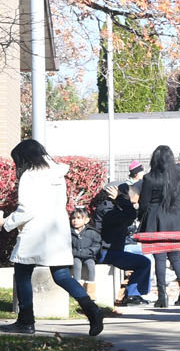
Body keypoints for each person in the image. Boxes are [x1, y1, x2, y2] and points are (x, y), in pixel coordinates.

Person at [1, 140, 104, 336]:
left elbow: (27, 209)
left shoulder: (30, 176)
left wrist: (6, 223)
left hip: (36, 234)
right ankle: (92, 310)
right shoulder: (57, 173)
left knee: (22, 272)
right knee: (62, 275)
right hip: (57, 232)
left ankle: (26, 321)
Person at [138, 145, 180, 308]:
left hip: (156, 218)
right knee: (175, 257)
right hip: (176, 218)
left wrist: (140, 218)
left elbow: (144, 203)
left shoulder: (149, 178)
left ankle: (162, 295)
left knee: (159, 257)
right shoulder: (179, 175)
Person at [96, 182, 151, 305]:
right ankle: (132, 295)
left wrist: (121, 200)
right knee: (144, 263)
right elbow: (129, 215)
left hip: (112, 250)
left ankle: (133, 294)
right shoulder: (106, 208)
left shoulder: (113, 206)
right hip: (106, 252)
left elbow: (129, 219)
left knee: (144, 260)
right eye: (123, 192)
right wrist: (121, 198)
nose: (126, 195)